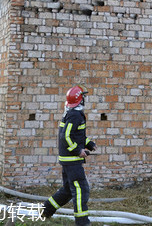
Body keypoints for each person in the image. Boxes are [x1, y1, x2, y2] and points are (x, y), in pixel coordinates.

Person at [43, 86, 97, 226]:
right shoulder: (75, 115)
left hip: (68, 160)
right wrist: (78, 151)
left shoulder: (72, 113)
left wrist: (88, 144)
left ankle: (46, 211)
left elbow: (76, 136)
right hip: (72, 160)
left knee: (68, 190)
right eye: (83, 97)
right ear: (80, 100)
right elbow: (65, 136)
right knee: (81, 190)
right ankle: (82, 222)